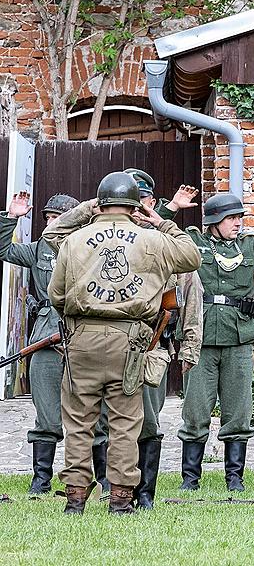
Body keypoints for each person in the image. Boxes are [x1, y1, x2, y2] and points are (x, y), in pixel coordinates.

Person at [47, 171, 205, 509]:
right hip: (131, 340)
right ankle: (120, 500)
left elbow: (56, 293)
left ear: (101, 202)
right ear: (137, 206)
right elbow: (192, 257)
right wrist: (161, 222)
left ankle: (75, 499)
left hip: (81, 338)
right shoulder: (153, 240)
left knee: (77, 422)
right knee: (125, 424)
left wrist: (90, 209)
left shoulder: (75, 240)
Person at [177, 192, 254, 492]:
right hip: (201, 336)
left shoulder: (249, 246)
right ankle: (190, 479)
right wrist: (172, 208)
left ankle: (234, 478)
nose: (237, 223)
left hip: (239, 337)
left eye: (238, 217)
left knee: (238, 411)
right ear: (214, 222)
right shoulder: (194, 242)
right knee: (195, 410)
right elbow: (159, 242)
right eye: (231, 218)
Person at [0, 192, 80, 494]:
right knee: (46, 413)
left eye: (57, 217)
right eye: (47, 217)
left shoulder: (90, 248)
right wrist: (11, 217)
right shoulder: (38, 249)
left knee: (96, 415)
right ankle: (41, 479)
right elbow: (3, 249)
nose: (51, 223)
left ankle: (102, 478)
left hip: (84, 336)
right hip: (45, 338)